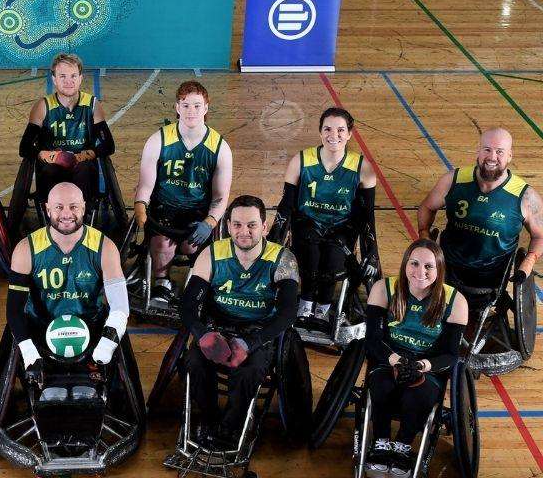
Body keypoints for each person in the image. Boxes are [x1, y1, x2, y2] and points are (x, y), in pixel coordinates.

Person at [179, 195, 299, 451]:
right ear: (228, 226)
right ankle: (208, 419)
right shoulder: (212, 253)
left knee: (249, 370)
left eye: (252, 225)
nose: (244, 232)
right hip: (218, 327)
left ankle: (232, 426)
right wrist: (203, 335)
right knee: (195, 362)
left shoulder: (282, 259)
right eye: (237, 225)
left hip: (258, 331)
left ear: (264, 227)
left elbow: (288, 314)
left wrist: (250, 342)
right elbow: (187, 306)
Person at [363, 239, 467, 478]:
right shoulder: (384, 288)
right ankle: (380, 440)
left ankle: (403, 444)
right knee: (381, 384)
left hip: (427, 365)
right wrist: (396, 361)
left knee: (418, 394)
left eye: (429, 266)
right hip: (390, 358)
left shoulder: (455, 301)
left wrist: (422, 366)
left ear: (439, 269)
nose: (421, 272)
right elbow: (372, 339)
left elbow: (452, 355)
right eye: (415, 264)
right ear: (405, 264)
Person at [5, 182, 129, 381]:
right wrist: (29, 351)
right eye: (59, 207)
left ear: (84, 208)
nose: (66, 214)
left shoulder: (105, 246)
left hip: (92, 326)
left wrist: (107, 344)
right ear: (47, 209)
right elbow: (14, 310)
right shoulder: (25, 249)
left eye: (73, 207)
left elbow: (120, 306)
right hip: (40, 326)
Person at [269, 107, 378, 332]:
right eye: (327, 129)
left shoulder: (362, 168)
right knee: (309, 249)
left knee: (333, 254)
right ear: (320, 132)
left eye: (340, 130)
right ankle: (306, 300)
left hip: (342, 226)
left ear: (349, 134)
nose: (333, 135)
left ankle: (325, 305)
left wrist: (372, 252)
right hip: (308, 222)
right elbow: (286, 205)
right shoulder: (301, 161)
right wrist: (273, 240)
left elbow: (367, 216)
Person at [418, 127, 543, 310]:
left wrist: (529, 260)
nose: (492, 157)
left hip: (490, 276)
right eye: (487, 149)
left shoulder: (526, 197)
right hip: (446, 267)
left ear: (510, 156)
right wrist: (423, 233)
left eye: (499, 151)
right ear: (478, 151)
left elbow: (540, 236)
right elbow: (427, 207)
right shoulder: (454, 180)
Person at [132, 81, 232, 304]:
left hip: (198, 210)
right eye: (186, 105)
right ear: (177, 107)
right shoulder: (158, 140)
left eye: (197, 106)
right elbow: (146, 185)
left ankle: (198, 283)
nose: (191, 111)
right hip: (164, 206)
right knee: (162, 245)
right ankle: (161, 282)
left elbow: (220, 196)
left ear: (206, 108)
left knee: (190, 245)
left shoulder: (220, 147)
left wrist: (210, 221)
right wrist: (140, 206)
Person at [18, 53, 115, 204]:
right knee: (50, 170)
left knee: (83, 169)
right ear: (54, 79)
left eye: (73, 76)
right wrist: (50, 156)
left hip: (82, 164)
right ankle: (53, 215)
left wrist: (85, 155)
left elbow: (109, 145)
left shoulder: (92, 105)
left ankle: (82, 213)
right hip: (53, 165)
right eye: (62, 76)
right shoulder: (43, 106)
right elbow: (24, 148)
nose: (68, 81)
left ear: (80, 78)